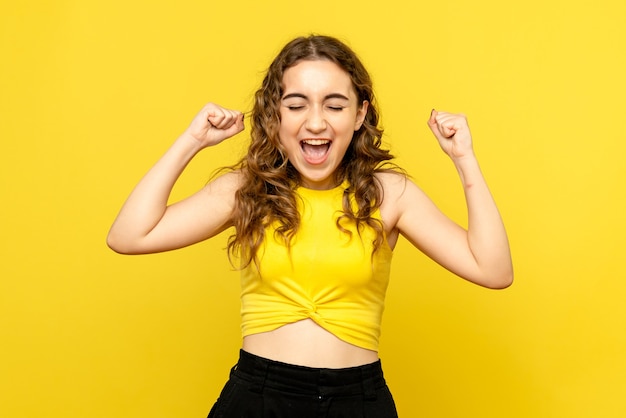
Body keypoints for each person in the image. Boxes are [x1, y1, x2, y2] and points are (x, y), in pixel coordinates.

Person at [107, 34, 513, 417]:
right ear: (274, 114)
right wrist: (192, 140)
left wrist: (464, 160)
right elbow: (129, 235)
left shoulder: (389, 194)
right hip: (258, 397)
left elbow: (493, 270)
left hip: (359, 400)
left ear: (359, 115)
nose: (316, 122)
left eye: (334, 106)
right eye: (297, 104)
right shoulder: (247, 190)